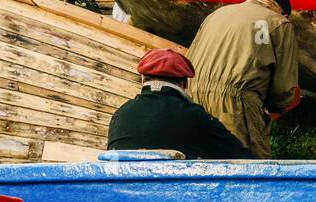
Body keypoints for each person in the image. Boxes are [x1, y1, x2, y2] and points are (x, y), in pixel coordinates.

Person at [187, 0, 301, 158]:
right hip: (236, 104)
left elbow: (188, 60)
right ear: (284, 14)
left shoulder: (217, 14)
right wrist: (276, 107)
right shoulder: (279, 23)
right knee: (249, 170)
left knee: (201, 164)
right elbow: (283, 88)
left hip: (192, 98)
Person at [106, 48, 256, 159]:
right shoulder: (195, 117)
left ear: (142, 79)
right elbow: (241, 158)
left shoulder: (121, 114)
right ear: (185, 83)